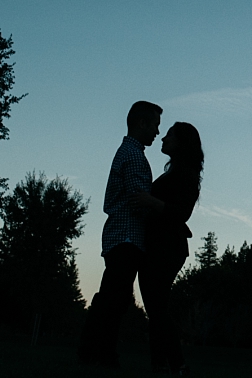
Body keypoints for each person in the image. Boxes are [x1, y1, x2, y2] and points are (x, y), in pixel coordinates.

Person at [77, 100, 162, 368]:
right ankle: (98, 352)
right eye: (155, 126)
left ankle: (97, 351)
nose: (157, 133)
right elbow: (139, 201)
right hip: (127, 237)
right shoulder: (135, 156)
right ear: (142, 123)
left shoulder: (126, 152)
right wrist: (161, 210)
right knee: (113, 298)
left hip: (120, 236)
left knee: (114, 297)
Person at [136, 122, 203, 375]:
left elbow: (181, 213)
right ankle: (161, 363)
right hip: (158, 245)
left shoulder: (184, 174)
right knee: (155, 307)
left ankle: (175, 363)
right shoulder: (175, 172)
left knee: (157, 307)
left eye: (169, 136)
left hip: (167, 247)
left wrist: (149, 201)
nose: (163, 138)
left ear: (181, 142)